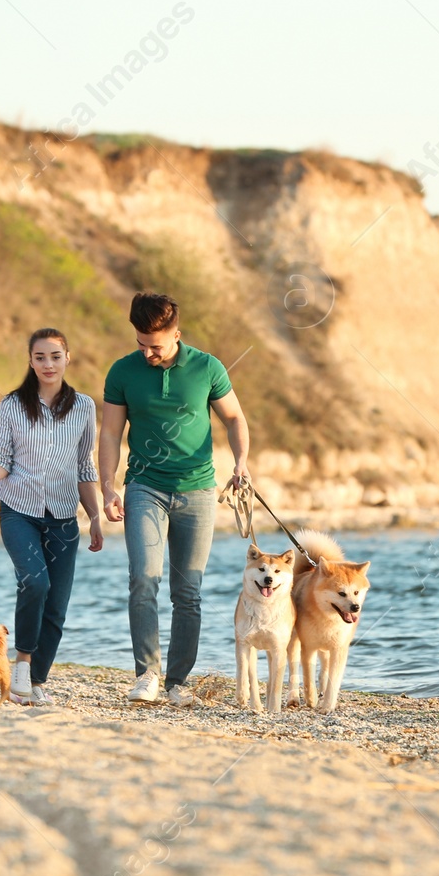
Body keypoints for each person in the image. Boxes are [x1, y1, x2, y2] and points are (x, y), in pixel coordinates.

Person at [100, 292, 250, 706]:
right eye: (140, 344)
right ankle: (147, 674)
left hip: (198, 490)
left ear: (176, 335)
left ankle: (178, 682)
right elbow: (110, 433)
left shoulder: (207, 367)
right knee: (143, 579)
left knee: (189, 592)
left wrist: (240, 464)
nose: (147, 353)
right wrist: (108, 485)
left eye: (156, 345)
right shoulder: (123, 372)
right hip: (144, 487)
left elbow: (234, 418)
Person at [0, 328, 104, 705]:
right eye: (40, 357)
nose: (48, 364)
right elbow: (1, 462)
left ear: (68, 358)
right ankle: (21, 664)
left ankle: (35, 683)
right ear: (30, 361)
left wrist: (95, 516)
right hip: (18, 512)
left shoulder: (85, 407)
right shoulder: (11, 405)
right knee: (35, 583)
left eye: (55, 356)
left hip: (63, 516)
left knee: (57, 604)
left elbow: (83, 466)